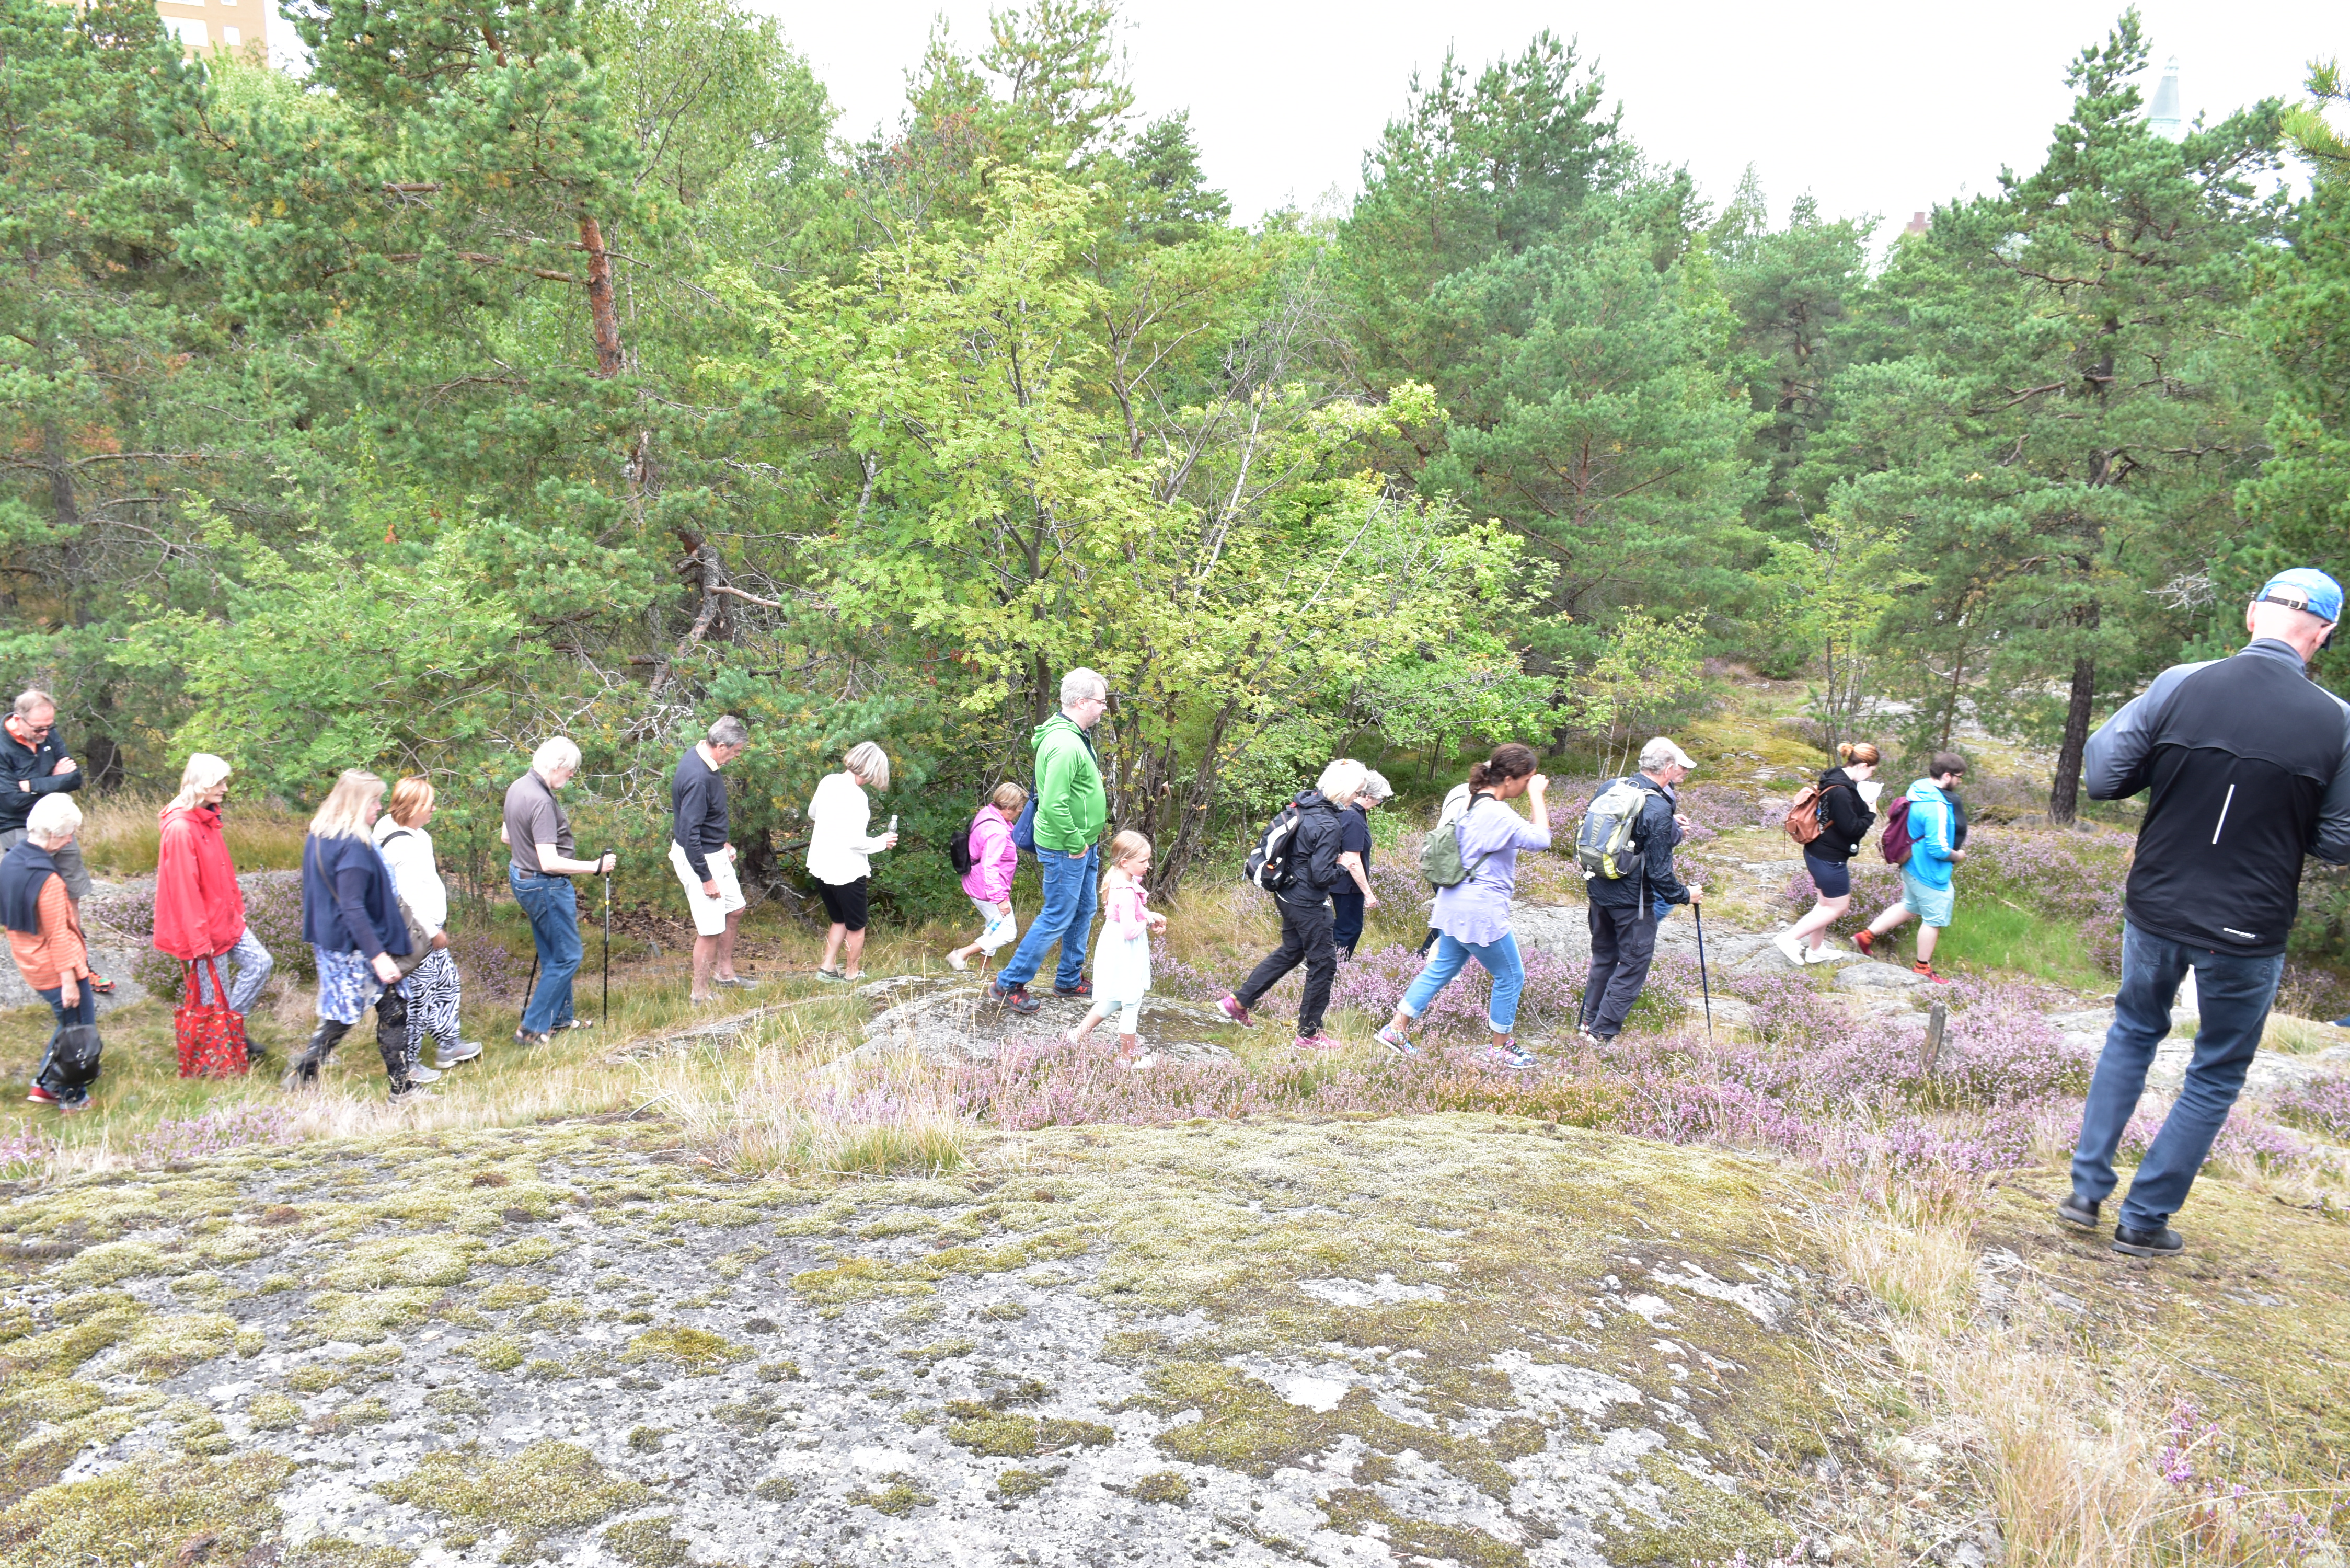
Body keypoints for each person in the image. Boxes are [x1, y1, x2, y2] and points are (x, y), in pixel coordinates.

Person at [2063, 568, 2350, 1258]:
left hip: (2156, 904)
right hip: (2248, 926)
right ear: (2323, 634)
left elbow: (2103, 776)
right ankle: (2144, 1221)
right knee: (2216, 1070)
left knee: (2133, 1032)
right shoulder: (2338, 722)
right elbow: (2340, 841)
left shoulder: (2180, 683)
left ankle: (2084, 1193)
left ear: (2252, 615)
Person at [1375, 744, 1556, 1067]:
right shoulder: (1497, 813)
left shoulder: (1473, 801)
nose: (1529, 784)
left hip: (1454, 903)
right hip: (1480, 911)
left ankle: (1396, 1029)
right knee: (1511, 975)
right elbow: (1541, 840)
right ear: (1510, 779)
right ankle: (1501, 1047)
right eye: (1527, 779)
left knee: (1442, 967)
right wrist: (1537, 796)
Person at [1218, 758, 1364, 1050]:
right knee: (1324, 965)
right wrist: (1342, 867)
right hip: (1308, 903)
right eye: (1357, 791)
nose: (1357, 796)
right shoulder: (1328, 823)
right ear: (1344, 789)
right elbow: (1322, 875)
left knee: (1292, 951)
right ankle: (1309, 1034)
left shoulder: (1305, 806)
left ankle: (1238, 1002)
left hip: (1286, 893)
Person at [291, 770, 421, 1097]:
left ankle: (401, 1087)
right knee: (357, 1015)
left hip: (333, 941)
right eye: (374, 800)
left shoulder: (322, 834)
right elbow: (352, 906)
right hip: (358, 945)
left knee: (376, 1009)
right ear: (357, 802)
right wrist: (378, 956)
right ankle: (308, 1068)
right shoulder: (353, 847)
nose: (379, 807)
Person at [989, 670, 1111, 1016]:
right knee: (1057, 915)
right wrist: (1074, 841)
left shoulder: (1076, 735)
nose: (1104, 708)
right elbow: (1055, 803)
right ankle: (1008, 984)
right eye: (1101, 702)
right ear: (1082, 702)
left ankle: (1069, 979)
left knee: (1083, 909)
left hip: (1083, 843)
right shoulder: (1064, 744)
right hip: (1066, 847)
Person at [1579, 737, 1703, 1043]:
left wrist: (1667, 823)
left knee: (1604, 958)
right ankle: (1601, 1033)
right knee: (1633, 965)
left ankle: (1587, 1023)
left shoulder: (1612, 787)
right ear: (1669, 769)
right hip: (1632, 903)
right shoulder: (1658, 806)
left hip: (1598, 891)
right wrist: (1686, 895)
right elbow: (1661, 874)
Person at [503, 738, 614, 1047]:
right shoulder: (540, 800)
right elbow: (549, 862)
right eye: (572, 769)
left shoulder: (518, 787)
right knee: (568, 956)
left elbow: (506, 837)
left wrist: (528, 851)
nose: (573, 775)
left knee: (553, 954)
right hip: (545, 885)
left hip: (522, 876)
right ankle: (531, 1029)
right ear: (558, 765)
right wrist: (595, 867)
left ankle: (560, 1019)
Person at [153, 753, 274, 1037]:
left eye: (225, 781)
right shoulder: (181, 829)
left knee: (260, 964)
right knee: (213, 1000)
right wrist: (199, 940)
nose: (225, 788)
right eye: (219, 782)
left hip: (226, 919)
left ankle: (229, 1031)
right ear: (201, 783)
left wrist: (237, 908)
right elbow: (184, 891)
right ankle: (218, 1048)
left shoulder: (207, 816)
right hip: (203, 931)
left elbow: (222, 869)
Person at [375, 776, 480, 1076]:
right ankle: (408, 1064)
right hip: (417, 933)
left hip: (429, 927)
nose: (434, 808)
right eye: (429, 804)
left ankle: (449, 1044)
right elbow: (408, 900)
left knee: (447, 983)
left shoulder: (413, 833)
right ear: (413, 807)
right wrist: (433, 933)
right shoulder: (403, 847)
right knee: (418, 996)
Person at [5, 795, 98, 1110]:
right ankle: (72, 1097)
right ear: (53, 834)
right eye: (68, 833)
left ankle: (44, 1085)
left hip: (29, 960)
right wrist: (69, 982)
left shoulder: (12, 862)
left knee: (67, 1024)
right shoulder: (49, 880)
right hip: (57, 968)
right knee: (79, 1031)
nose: (70, 840)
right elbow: (58, 935)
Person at [1853, 753, 1967, 983]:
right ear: (1947, 776)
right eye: (1959, 778)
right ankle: (1922, 968)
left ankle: (1865, 937)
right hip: (1929, 871)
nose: (1959, 782)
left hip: (1912, 864)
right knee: (1934, 919)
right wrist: (1957, 856)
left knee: (1910, 905)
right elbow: (1937, 849)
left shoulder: (1920, 790)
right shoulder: (1936, 805)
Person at [1775, 742, 1882, 966]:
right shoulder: (1841, 792)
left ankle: (1816, 950)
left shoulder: (1834, 779)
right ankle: (1789, 938)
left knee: (1825, 905)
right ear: (1863, 765)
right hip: (1829, 858)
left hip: (1818, 851)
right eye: (1871, 771)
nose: (1871, 775)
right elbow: (1852, 828)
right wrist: (1870, 813)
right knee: (1838, 906)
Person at [670, 716, 753, 1004]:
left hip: (714, 851)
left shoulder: (703, 756)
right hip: (699, 859)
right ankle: (700, 994)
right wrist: (706, 878)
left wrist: (722, 842)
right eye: (736, 751)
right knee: (710, 930)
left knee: (736, 909)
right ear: (721, 746)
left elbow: (703, 817)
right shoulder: (698, 778)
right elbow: (688, 833)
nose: (737, 756)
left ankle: (724, 974)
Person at [1067, 830, 1165, 1059]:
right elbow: (1130, 932)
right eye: (1143, 861)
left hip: (1117, 945)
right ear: (1125, 862)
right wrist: (1148, 921)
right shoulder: (1126, 892)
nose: (1148, 865)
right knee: (1131, 1001)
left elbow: (1133, 914)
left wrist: (1151, 916)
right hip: (1124, 950)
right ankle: (1126, 1059)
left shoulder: (1122, 880)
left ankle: (1076, 1037)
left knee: (1115, 998)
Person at [805, 742, 897, 982]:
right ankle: (852, 973)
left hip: (821, 864)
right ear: (871, 769)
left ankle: (827, 968)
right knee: (857, 925)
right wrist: (882, 842)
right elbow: (855, 842)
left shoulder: (829, 781)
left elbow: (813, 813)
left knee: (840, 919)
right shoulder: (857, 796)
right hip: (846, 870)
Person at [0, 689, 86, 900]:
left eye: (50, 727)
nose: (46, 733)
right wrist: (56, 780)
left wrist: (32, 785)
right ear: (18, 720)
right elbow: (13, 801)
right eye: (39, 729)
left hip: (59, 820)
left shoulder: (47, 733)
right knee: (33, 895)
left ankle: (70, 924)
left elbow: (75, 779)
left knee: (72, 891)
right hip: (19, 826)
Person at [948, 782, 1027, 973]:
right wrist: (1000, 899)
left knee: (994, 926)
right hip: (987, 889)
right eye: (1019, 808)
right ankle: (961, 954)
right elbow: (989, 867)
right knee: (1008, 932)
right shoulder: (997, 832)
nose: (1020, 812)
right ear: (1008, 808)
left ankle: (984, 968)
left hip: (978, 883)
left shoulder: (988, 813)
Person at [1332, 768, 1391, 962]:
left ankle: (1322, 962)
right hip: (1347, 884)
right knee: (1349, 928)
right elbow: (1352, 860)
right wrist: (1368, 893)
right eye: (1380, 798)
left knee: (1343, 925)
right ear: (1368, 796)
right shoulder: (1353, 817)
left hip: (1341, 881)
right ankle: (1333, 966)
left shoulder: (1351, 813)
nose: (1379, 803)